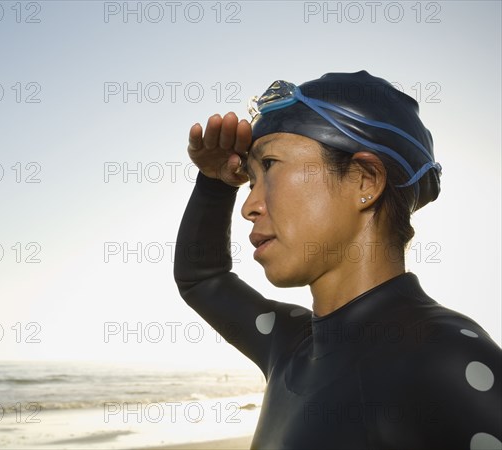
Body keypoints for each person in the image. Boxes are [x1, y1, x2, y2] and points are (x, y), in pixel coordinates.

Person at [173, 71, 501, 449]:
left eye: (272, 167)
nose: (249, 205)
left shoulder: (446, 355)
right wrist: (214, 184)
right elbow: (202, 279)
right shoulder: (292, 344)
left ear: (365, 180)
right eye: (249, 182)